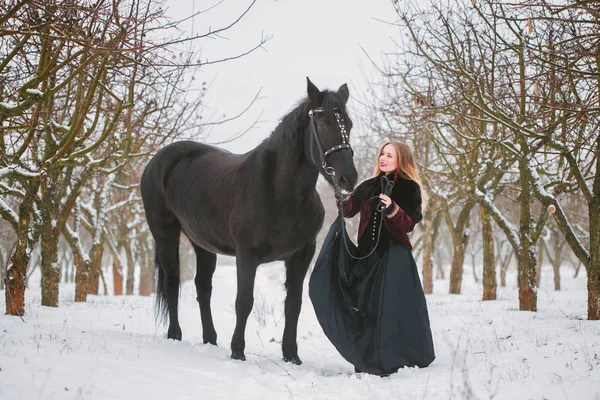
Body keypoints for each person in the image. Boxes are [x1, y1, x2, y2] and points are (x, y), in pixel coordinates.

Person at [309, 141, 435, 376]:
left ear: (401, 160)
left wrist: (392, 209)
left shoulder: (410, 188)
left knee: (390, 309)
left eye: (390, 155)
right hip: (367, 254)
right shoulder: (368, 185)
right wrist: (343, 193)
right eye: (382, 154)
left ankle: (396, 357)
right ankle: (368, 355)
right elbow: (348, 211)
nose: (383, 158)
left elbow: (408, 225)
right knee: (367, 308)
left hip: (394, 256)